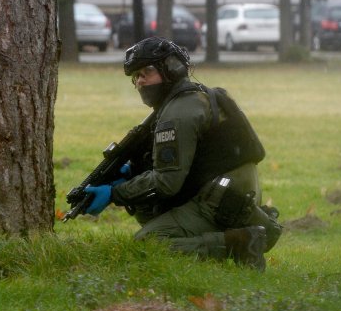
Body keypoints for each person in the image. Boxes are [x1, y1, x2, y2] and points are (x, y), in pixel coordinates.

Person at [81, 37, 281, 271]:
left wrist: (114, 193)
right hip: (232, 190)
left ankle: (240, 242)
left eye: (147, 72)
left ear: (171, 70)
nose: (140, 82)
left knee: (146, 245)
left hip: (219, 198)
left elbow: (167, 183)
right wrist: (132, 173)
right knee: (151, 214)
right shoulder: (192, 98)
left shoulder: (177, 112)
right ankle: (247, 227)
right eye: (136, 76)